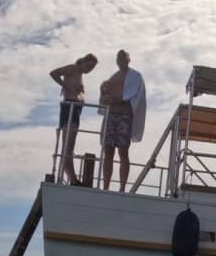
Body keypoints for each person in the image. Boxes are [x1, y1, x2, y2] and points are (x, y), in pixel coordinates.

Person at [98, 50, 147, 192]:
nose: (120, 59)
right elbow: (104, 100)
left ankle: (122, 187)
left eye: (123, 57)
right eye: (118, 57)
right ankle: (105, 186)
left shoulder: (135, 76)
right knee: (108, 152)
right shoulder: (112, 78)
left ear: (128, 59)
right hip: (111, 117)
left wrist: (116, 99)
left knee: (123, 152)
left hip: (124, 117)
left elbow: (126, 98)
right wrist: (104, 92)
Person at [49, 54, 97, 185]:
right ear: (84, 62)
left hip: (75, 109)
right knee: (68, 146)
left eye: (93, 68)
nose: (90, 70)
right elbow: (53, 73)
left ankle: (72, 178)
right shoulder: (73, 68)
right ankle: (73, 178)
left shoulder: (80, 74)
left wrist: (81, 93)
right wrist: (66, 86)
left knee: (70, 146)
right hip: (69, 107)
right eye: (90, 66)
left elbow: (77, 93)